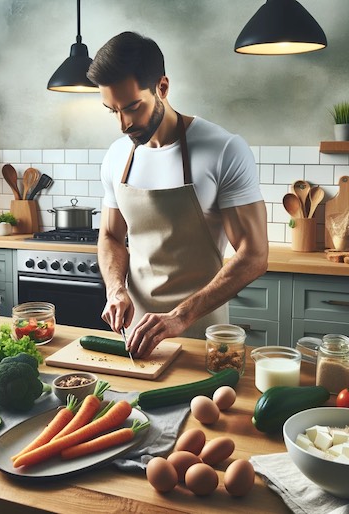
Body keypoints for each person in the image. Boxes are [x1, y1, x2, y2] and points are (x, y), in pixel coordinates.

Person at [87, 31, 268, 359]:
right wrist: (115, 290)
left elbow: (254, 255)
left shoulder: (224, 149)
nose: (123, 124)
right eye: (111, 111)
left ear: (163, 87)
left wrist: (180, 317)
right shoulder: (116, 156)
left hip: (201, 334)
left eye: (131, 108)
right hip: (137, 335)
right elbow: (111, 235)